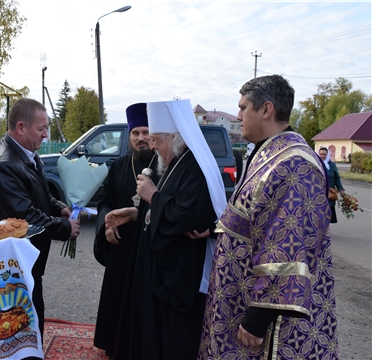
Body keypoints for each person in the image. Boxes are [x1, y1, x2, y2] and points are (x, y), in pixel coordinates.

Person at [199, 75, 338, 359]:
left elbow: (287, 247)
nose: (238, 116)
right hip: (242, 295)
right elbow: (253, 216)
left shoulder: (294, 164)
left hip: (269, 317)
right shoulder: (271, 153)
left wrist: (257, 319)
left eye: (243, 108)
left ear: (266, 110)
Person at [107, 99, 227, 359]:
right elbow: (168, 209)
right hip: (161, 267)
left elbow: (188, 218)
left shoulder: (194, 167)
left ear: (173, 138)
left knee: (173, 340)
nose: (151, 145)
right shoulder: (173, 163)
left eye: (156, 139)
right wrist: (137, 213)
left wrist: (152, 197)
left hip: (179, 273)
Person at [0, 97, 81, 340]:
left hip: (29, 256)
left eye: (46, 127)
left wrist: (60, 209)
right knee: (19, 317)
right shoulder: (4, 165)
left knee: (32, 312)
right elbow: (25, 216)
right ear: (20, 127)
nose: (46, 134)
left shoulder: (28, 155)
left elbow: (43, 195)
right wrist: (64, 228)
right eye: (41, 128)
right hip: (14, 260)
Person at [93, 103, 160, 357]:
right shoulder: (120, 165)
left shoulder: (163, 165)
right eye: (135, 133)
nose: (140, 138)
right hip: (121, 245)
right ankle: (114, 343)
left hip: (147, 244)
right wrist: (106, 223)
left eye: (145, 132)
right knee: (117, 295)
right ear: (129, 136)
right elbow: (104, 199)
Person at [319, 146, 345, 223]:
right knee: (320, 211)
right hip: (319, 192)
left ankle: (326, 228)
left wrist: (340, 188)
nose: (322, 156)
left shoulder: (332, 165)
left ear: (327, 155)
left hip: (330, 192)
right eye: (321, 154)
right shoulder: (316, 164)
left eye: (324, 154)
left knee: (329, 210)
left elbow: (337, 178)